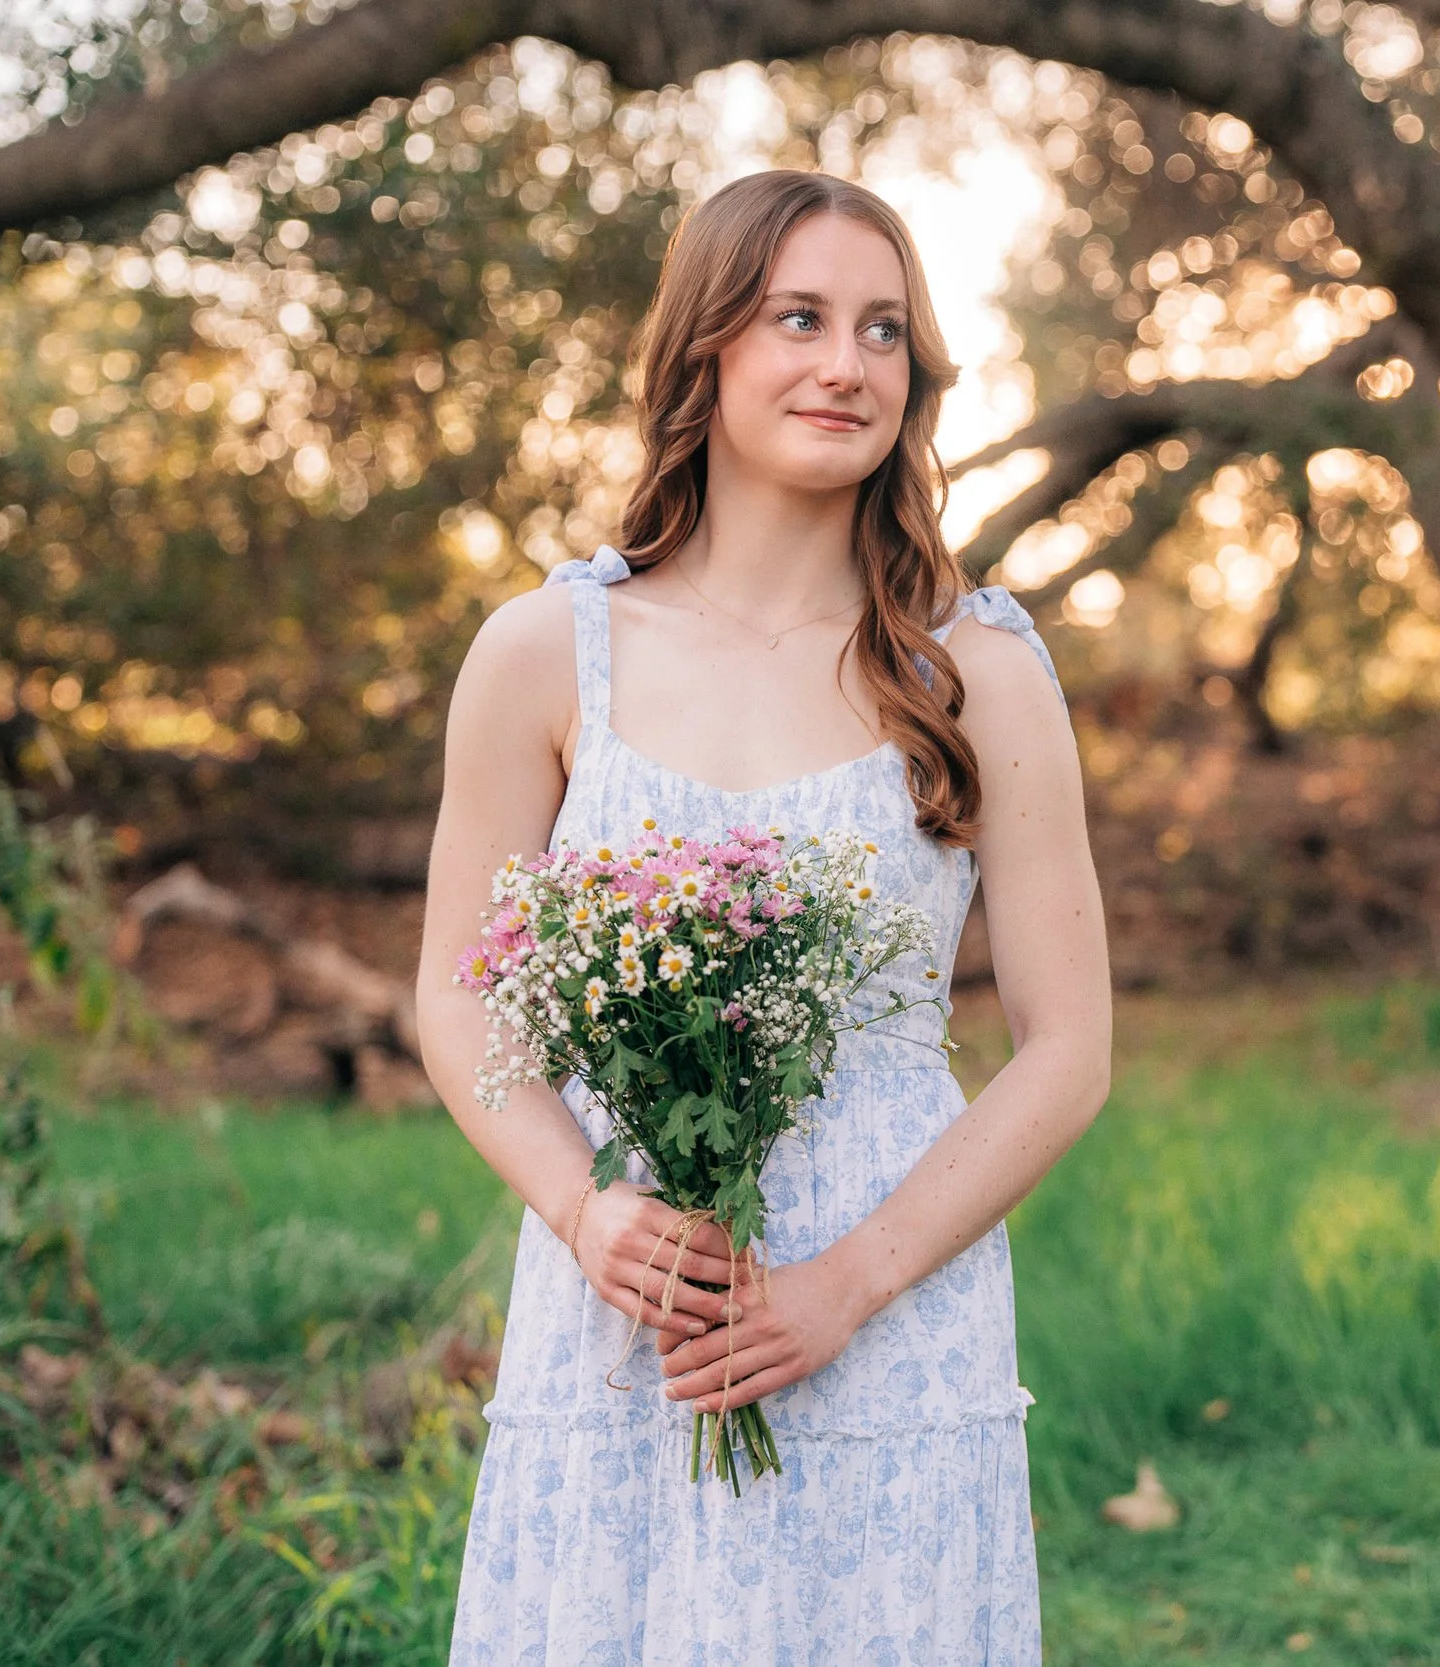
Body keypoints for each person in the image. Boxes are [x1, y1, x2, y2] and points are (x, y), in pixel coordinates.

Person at [413, 168, 1112, 1665]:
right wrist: (585, 1205)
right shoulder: (547, 654)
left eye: (883, 330)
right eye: (800, 317)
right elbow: (458, 997)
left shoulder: (976, 670)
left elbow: (1069, 1050)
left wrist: (840, 1288)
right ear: (707, 345)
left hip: (890, 1303)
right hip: (631, 1311)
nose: (847, 363)